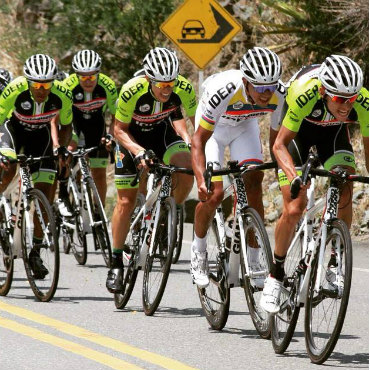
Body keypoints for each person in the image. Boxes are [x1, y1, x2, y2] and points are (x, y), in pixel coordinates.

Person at [260, 55, 369, 314]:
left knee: (345, 185)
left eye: (351, 99)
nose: (347, 105)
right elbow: (279, 145)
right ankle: (275, 277)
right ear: (323, 91)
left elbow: (367, 142)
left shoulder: (362, 100)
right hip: (298, 136)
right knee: (295, 207)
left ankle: (334, 263)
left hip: (332, 136)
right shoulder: (303, 93)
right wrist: (294, 177)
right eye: (340, 99)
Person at [191, 46, 285, 288]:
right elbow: (198, 140)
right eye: (261, 88)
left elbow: (276, 143)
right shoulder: (224, 91)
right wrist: (201, 179)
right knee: (215, 194)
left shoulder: (280, 94)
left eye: (271, 87)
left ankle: (254, 260)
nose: (267, 94)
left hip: (245, 126)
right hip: (214, 131)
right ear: (245, 82)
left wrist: (281, 173)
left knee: (254, 180)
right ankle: (198, 252)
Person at [106, 47, 196, 293]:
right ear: (148, 79)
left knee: (187, 166)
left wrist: (195, 144)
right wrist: (138, 151)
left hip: (162, 135)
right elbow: (119, 130)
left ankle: (169, 211)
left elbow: (198, 122)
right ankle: (115, 261)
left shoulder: (184, 88)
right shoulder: (131, 90)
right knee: (125, 201)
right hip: (131, 140)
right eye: (161, 84)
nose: (167, 89)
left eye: (171, 83)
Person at [0, 54, 73, 278]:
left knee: (45, 194)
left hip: (40, 138)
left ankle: (36, 251)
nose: (41, 89)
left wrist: (62, 149)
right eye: (36, 84)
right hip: (13, 133)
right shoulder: (15, 89)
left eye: (46, 84)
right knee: (8, 166)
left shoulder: (62, 95)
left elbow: (67, 125)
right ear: (28, 81)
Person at [63, 49, 117, 210]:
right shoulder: (67, 87)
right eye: (83, 77)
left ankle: (98, 210)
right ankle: (64, 197)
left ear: (98, 74)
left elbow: (116, 118)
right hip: (73, 126)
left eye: (92, 76)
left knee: (99, 174)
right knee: (69, 155)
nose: (88, 81)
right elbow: (60, 118)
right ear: (76, 75)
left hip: (96, 127)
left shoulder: (107, 85)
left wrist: (110, 136)